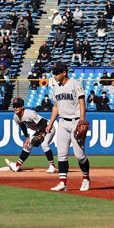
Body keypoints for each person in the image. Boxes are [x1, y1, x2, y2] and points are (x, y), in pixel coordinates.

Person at [46, 61, 91, 192]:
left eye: (56, 73)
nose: (54, 76)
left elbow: (82, 102)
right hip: (63, 123)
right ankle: (62, 182)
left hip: (76, 121)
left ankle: (86, 178)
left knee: (79, 155)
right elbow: (56, 107)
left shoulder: (75, 84)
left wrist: (82, 120)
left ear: (64, 73)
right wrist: (50, 123)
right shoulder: (56, 88)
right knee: (61, 154)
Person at [5, 98, 57, 173]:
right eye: (14, 106)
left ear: (22, 107)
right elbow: (22, 126)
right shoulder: (16, 117)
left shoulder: (29, 113)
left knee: (44, 144)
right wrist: (27, 138)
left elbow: (44, 122)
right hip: (39, 130)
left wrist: (42, 134)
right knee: (28, 145)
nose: (15, 108)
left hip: (48, 127)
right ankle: (17, 165)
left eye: (18, 106)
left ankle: (52, 166)